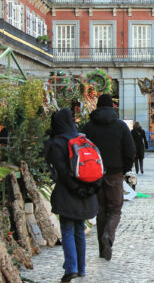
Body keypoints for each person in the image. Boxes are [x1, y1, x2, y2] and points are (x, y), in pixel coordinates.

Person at [46, 109, 101, 282]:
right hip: (86, 193)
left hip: (68, 193)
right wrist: (88, 189)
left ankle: (71, 268)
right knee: (79, 230)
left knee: (68, 230)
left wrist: (75, 188)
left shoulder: (57, 142)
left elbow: (61, 172)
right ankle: (82, 268)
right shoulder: (84, 140)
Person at [80, 94, 135, 261]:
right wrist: (125, 169)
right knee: (115, 209)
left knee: (101, 210)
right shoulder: (120, 126)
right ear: (112, 106)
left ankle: (102, 249)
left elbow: (80, 149)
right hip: (115, 172)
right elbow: (130, 150)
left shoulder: (88, 127)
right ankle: (108, 237)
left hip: (94, 173)